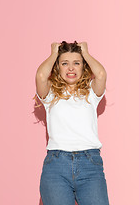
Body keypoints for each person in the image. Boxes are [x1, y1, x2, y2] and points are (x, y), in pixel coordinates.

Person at [36, 41, 109, 205]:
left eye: (76, 63)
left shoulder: (91, 92)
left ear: (84, 66)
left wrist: (86, 53)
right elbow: (41, 76)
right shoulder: (50, 94)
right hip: (56, 166)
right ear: (57, 67)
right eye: (65, 63)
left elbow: (101, 75)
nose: (71, 68)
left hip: (90, 164)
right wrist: (54, 53)